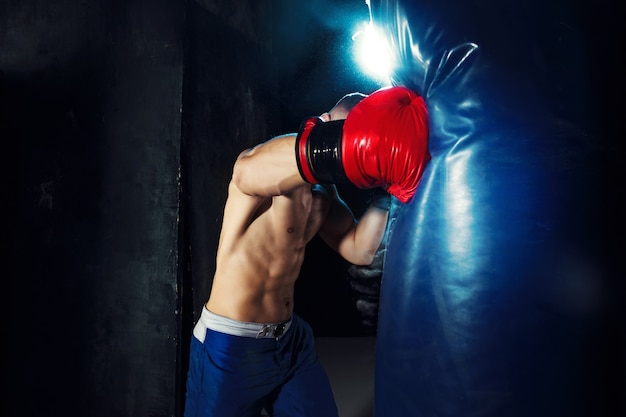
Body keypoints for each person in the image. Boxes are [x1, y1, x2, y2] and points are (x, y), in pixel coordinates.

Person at [184, 86, 430, 417]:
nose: (352, 152)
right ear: (325, 122)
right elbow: (245, 170)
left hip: (290, 341)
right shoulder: (271, 162)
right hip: (233, 344)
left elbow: (358, 248)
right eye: (350, 137)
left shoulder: (323, 192)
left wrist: (390, 190)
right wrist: (334, 146)